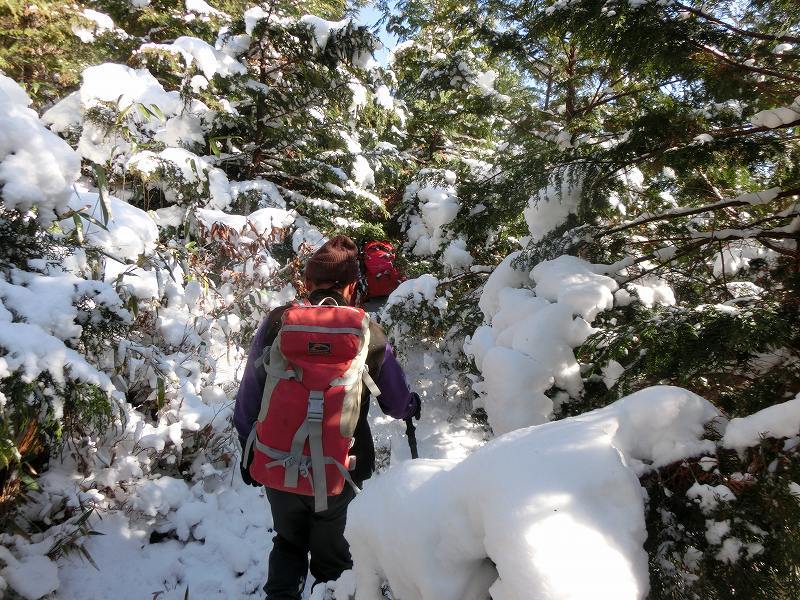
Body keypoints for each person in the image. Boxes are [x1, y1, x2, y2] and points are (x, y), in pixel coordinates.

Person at [234, 235, 421, 599]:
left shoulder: (278, 322)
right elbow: (397, 404)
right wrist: (411, 405)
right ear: (352, 286)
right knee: (334, 559)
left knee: (287, 542)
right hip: (342, 468)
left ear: (306, 283)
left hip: (277, 462)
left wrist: (249, 449)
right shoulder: (367, 329)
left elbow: (249, 397)